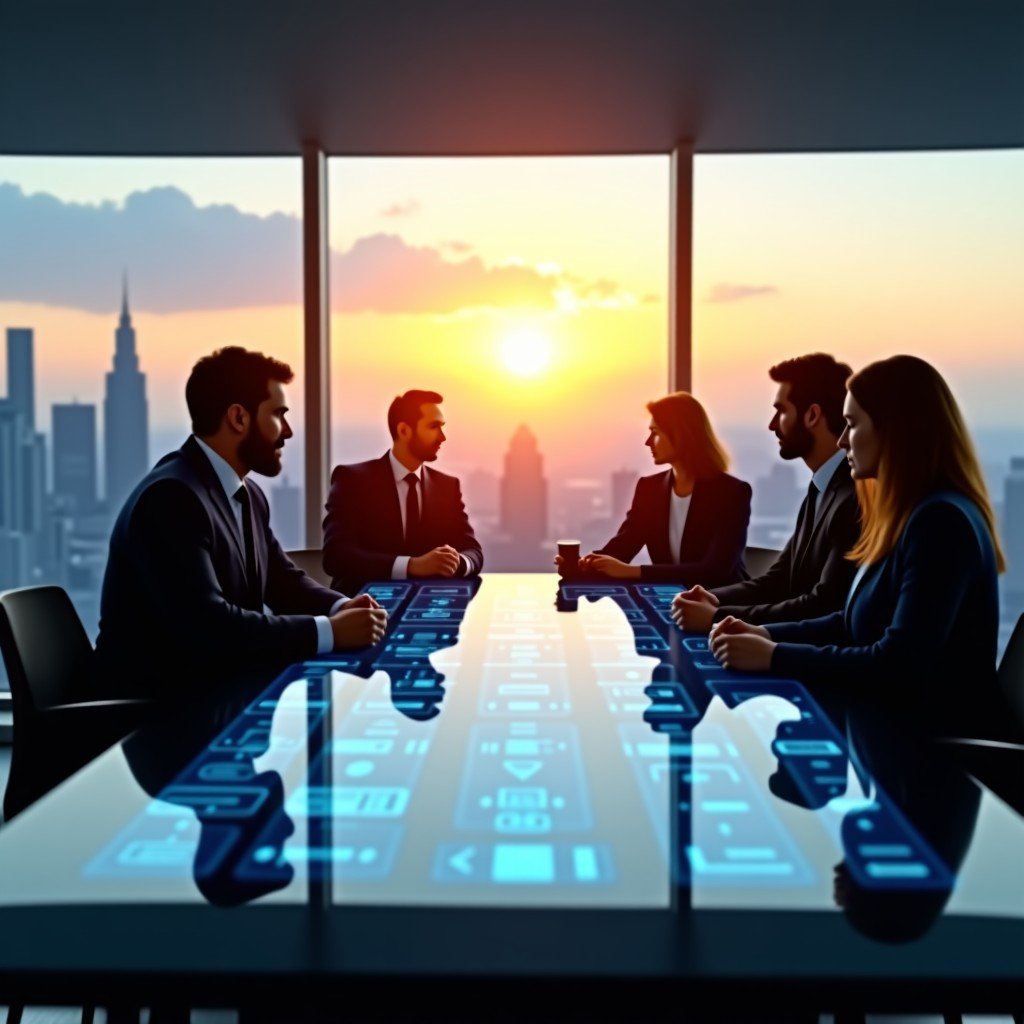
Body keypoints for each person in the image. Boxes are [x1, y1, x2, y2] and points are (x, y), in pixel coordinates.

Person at [709, 355, 1006, 728]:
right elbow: (851, 623)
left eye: (852, 425)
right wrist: (764, 634)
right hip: (888, 725)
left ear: (894, 431)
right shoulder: (905, 514)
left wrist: (774, 656)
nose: (842, 440)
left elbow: (897, 663)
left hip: (931, 751)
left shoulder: (939, 522)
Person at [95, 347, 387, 698]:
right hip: (160, 714)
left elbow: (281, 581)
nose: (289, 431)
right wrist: (329, 632)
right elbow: (210, 627)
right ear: (238, 418)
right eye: (279, 414)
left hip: (220, 692)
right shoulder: (172, 498)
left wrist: (340, 606)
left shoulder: (247, 494)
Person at [672, 354, 859, 633]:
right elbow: (780, 580)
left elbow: (824, 603)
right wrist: (713, 597)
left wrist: (717, 616)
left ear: (812, 415)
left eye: (781, 411)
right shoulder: (820, 487)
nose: (772, 424)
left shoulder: (851, 497)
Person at [557, 391, 750, 585]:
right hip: (671, 602)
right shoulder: (649, 489)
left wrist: (634, 572)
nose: (648, 442)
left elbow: (715, 571)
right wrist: (581, 565)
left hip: (721, 607)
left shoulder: (731, 493)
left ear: (681, 434)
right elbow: (620, 552)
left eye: (655, 433)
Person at [322, 389, 483, 596]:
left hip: (429, 606)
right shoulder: (353, 480)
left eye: (442, 427)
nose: (443, 437)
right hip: (363, 607)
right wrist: (411, 565)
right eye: (433, 427)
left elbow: (474, 552)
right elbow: (336, 556)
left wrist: (458, 562)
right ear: (404, 431)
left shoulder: (447, 487)